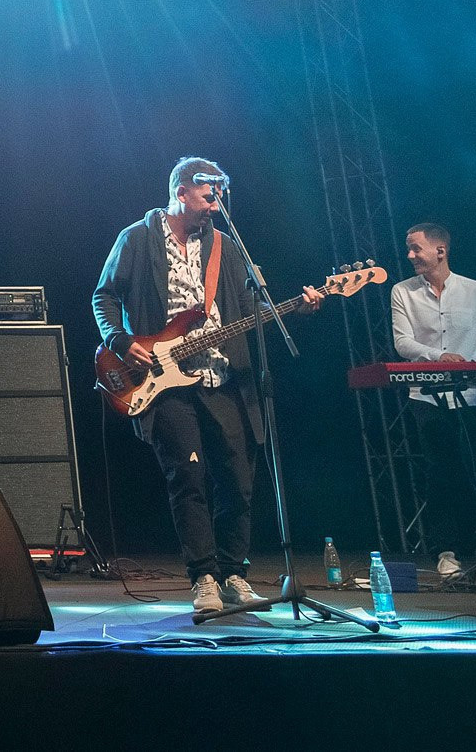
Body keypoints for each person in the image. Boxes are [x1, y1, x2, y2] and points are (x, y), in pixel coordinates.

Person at [92, 156, 323, 616]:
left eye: (219, 195)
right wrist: (120, 340)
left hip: (225, 375)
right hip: (166, 381)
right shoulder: (136, 238)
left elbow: (251, 304)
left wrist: (297, 307)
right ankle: (203, 578)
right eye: (207, 195)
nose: (215, 205)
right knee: (190, 477)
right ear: (182, 191)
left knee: (239, 478)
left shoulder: (224, 244)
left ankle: (234, 571)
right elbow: (104, 295)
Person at [391, 221, 476, 585]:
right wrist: (438, 357)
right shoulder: (403, 291)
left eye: (416, 248)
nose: (410, 255)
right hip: (428, 396)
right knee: (442, 474)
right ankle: (447, 553)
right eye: (409, 248)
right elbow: (403, 342)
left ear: (440, 251)